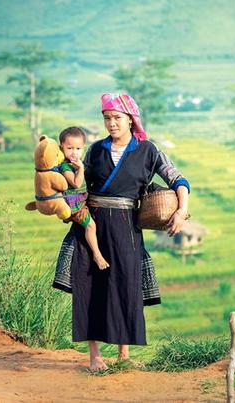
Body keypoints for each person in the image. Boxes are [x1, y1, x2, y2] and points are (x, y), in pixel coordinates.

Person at [52, 92, 190, 371]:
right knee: (90, 287)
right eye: (107, 118)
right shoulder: (95, 150)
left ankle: (123, 356)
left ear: (130, 119)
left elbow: (178, 179)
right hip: (93, 222)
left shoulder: (148, 150)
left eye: (116, 118)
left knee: (126, 286)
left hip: (127, 227)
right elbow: (79, 185)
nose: (111, 124)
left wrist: (181, 210)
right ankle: (95, 357)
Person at [58, 126, 110, 270]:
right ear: (61, 147)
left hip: (81, 202)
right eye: (70, 148)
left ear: (83, 148)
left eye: (78, 149)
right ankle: (97, 254)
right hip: (74, 206)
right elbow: (76, 183)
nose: (74, 152)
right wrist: (80, 169)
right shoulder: (65, 167)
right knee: (91, 226)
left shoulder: (74, 164)